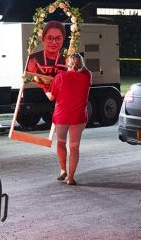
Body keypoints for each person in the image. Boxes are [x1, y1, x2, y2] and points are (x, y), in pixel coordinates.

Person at [45, 53, 92, 185]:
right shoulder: (87, 76)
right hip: (79, 117)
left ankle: (63, 170)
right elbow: (85, 69)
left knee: (61, 143)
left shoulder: (60, 77)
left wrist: (43, 87)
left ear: (68, 64)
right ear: (81, 63)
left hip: (61, 116)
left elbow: (51, 97)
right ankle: (71, 178)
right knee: (74, 148)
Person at [26, 20, 68, 88]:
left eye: (58, 38)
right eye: (49, 38)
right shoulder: (33, 59)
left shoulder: (67, 61)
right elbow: (29, 82)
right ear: (43, 39)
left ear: (63, 40)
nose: (54, 42)